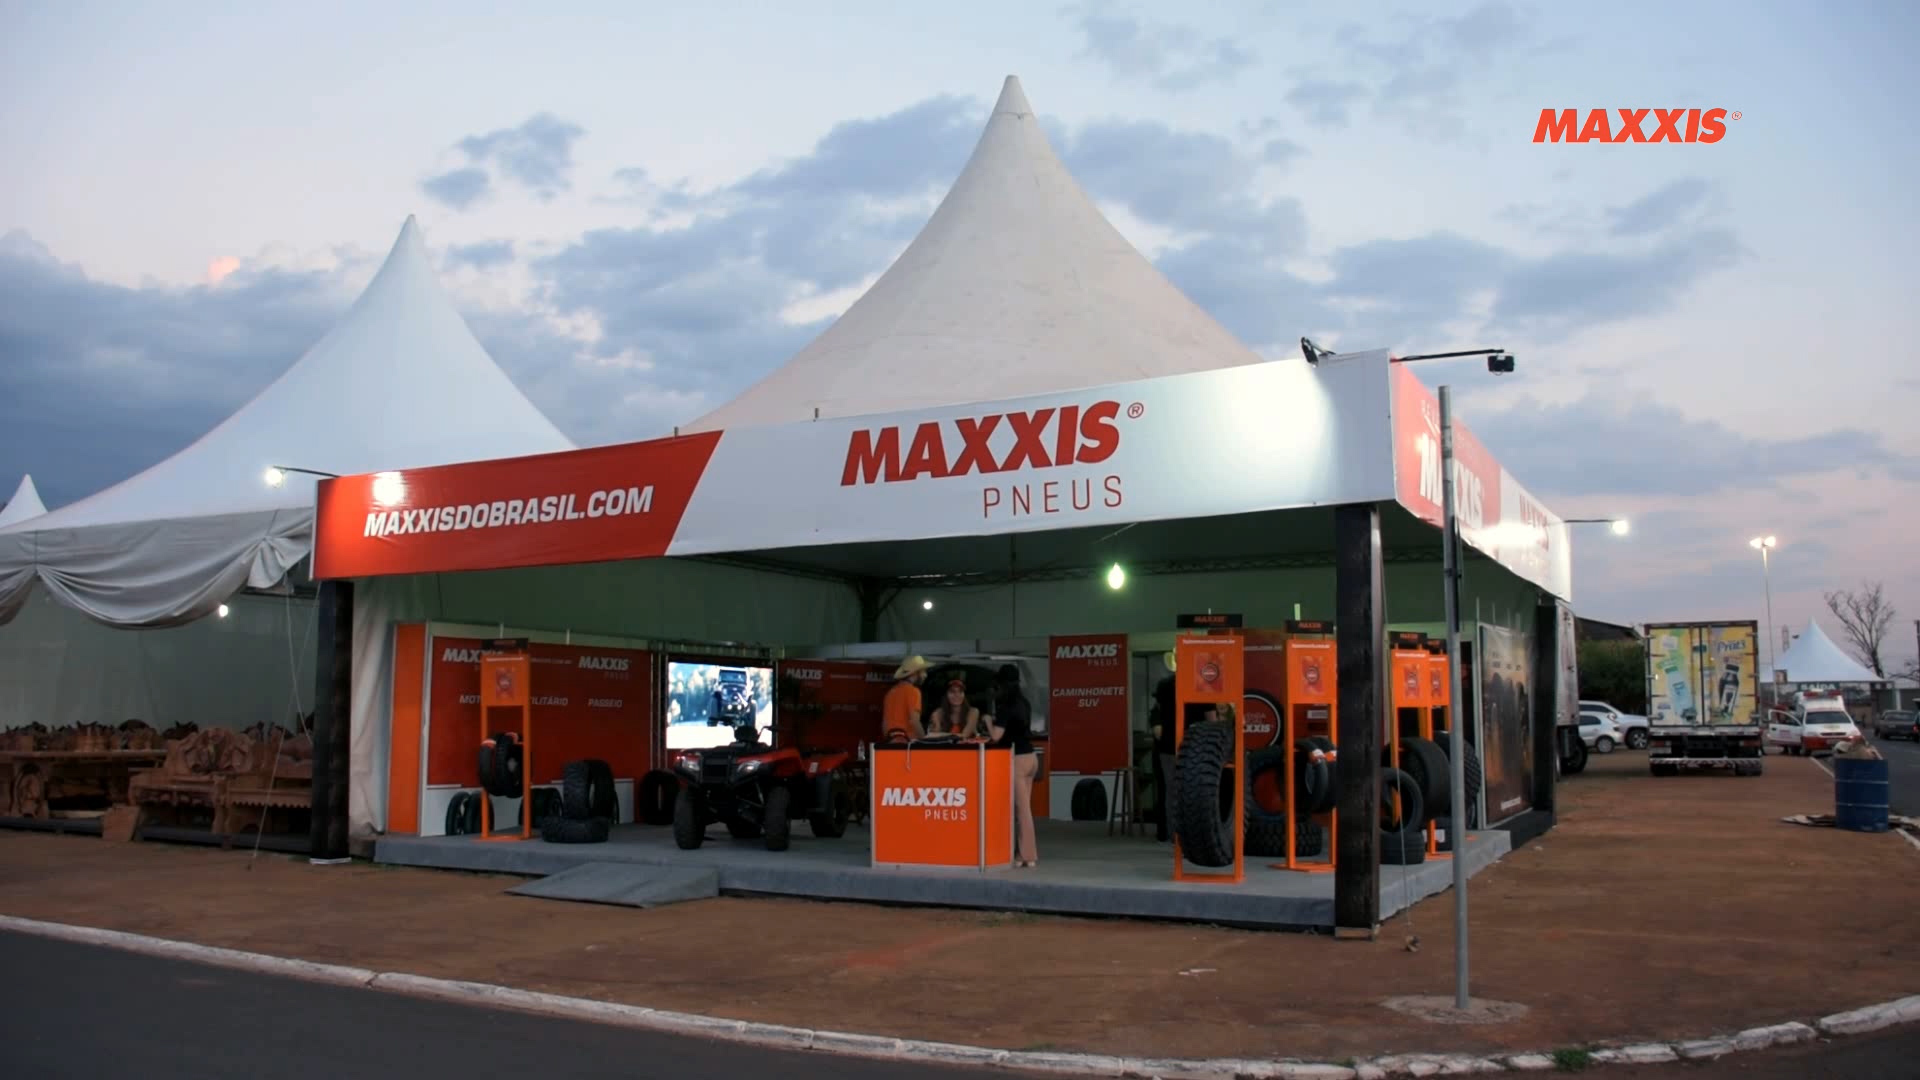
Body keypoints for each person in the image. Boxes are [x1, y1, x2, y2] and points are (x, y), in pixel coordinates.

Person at [1150, 650, 1217, 843]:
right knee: (1196, 791)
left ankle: (1173, 834)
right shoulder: (1203, 685)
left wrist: (1157, 726)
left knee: (1171, 791)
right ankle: (1192, 835)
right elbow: (1211, 720)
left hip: (1169, 745)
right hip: (1195, 748)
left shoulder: (1164, 685)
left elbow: (1157, 712)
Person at [985, 663, 1039, 867]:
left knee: (1022, 811)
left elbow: (996, 736)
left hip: (1018, 760)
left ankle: (1027, 855)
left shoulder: (1006, 706)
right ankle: (1023, 853)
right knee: (1025, 809)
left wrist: (988, 720)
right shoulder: (1024, 702)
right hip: (1031, 757)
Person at [885, 656, 931, 742]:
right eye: (923, 671)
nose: (925, 675)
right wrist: (925, 741)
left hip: (891, 743)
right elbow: (914, 721)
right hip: (908, 744)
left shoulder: (890, 693)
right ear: (915, 673)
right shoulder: (914, 691)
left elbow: (885, 724)